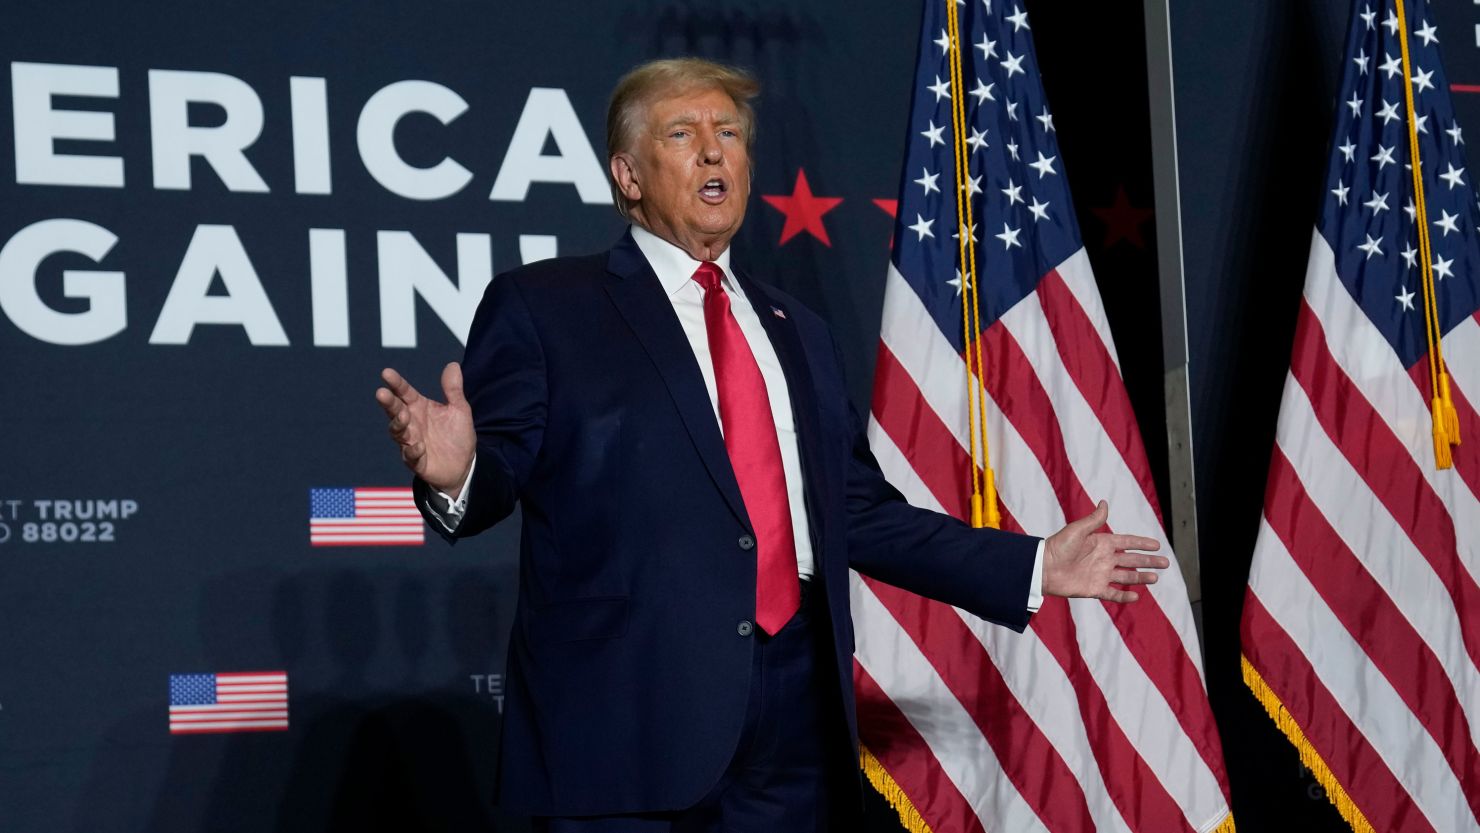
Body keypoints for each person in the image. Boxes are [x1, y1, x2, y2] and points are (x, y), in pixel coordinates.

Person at [375, 57, 1166, 833]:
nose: (715, 150)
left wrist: (1031, 564)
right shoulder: (546, 306)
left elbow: (860, 511)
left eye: (729, 132)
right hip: (628, 719)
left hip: (796, 721)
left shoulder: (798, 330)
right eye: (683, 133)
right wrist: (460, 472)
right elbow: (499, 471)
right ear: (629, 174)